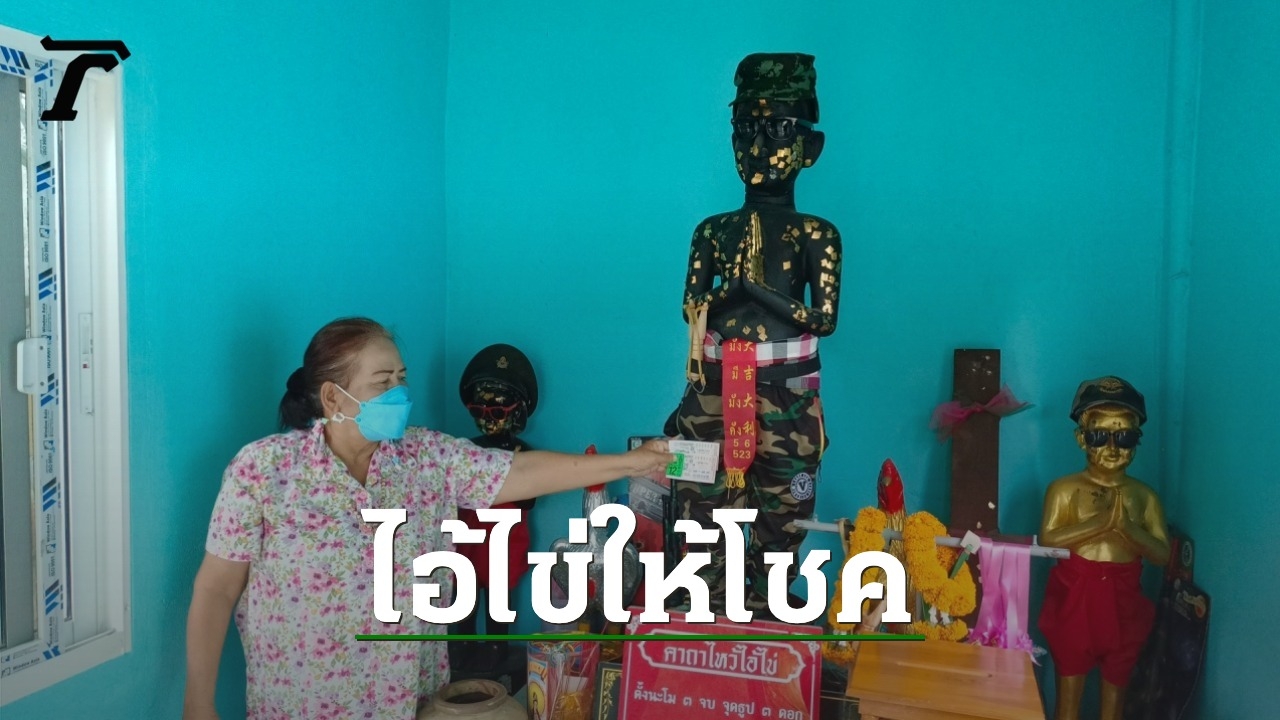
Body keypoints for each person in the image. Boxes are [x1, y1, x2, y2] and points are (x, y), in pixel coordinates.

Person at [182, 318, 672, 720]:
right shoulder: (263, 470)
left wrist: (631, 463)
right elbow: (216, 589)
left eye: (401, 378)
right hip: (299, 702)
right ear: (333, 398)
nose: (399, 391)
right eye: (382, 382)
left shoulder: (424, 458)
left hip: (404, 699)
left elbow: (520, 471)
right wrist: (198, 702)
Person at [665, 52, 840, 614]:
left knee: (786, 502)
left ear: (810, 147)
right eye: (745, 129)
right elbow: (691, 307)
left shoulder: (817, 233)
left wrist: (756, 292)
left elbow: (825, 319)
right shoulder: (712, 230)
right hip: (713, 384)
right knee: (696, 497)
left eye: (779, 130)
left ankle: (769, 600)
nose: (759, 145)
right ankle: (705, 594)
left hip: (789, 390)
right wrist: (731, 292)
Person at [1038, 376, 1171, 720]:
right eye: (1100, 436)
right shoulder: (1065, 490)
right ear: (1081, 438)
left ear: (1137, 441)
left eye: (1124, 437)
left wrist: (1127, 529)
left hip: (1124, 602)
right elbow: (1048, 539)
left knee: (1115, 699)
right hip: (1076, 599)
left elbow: (1162, 554)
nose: (1112, 447)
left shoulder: (1144, 496)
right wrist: (1098, 525)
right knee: (1068, 698)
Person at [450, 343, 539, 674]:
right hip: (467, 537)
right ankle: (460, 646)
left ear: (517, 412)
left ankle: (497, 648)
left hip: (504, 540)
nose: (488, 420)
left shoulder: (524, 455)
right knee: (464, 594)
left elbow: (529, 499)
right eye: (479, 410)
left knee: (499, 597)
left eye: (498, 412)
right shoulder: (465, 450)